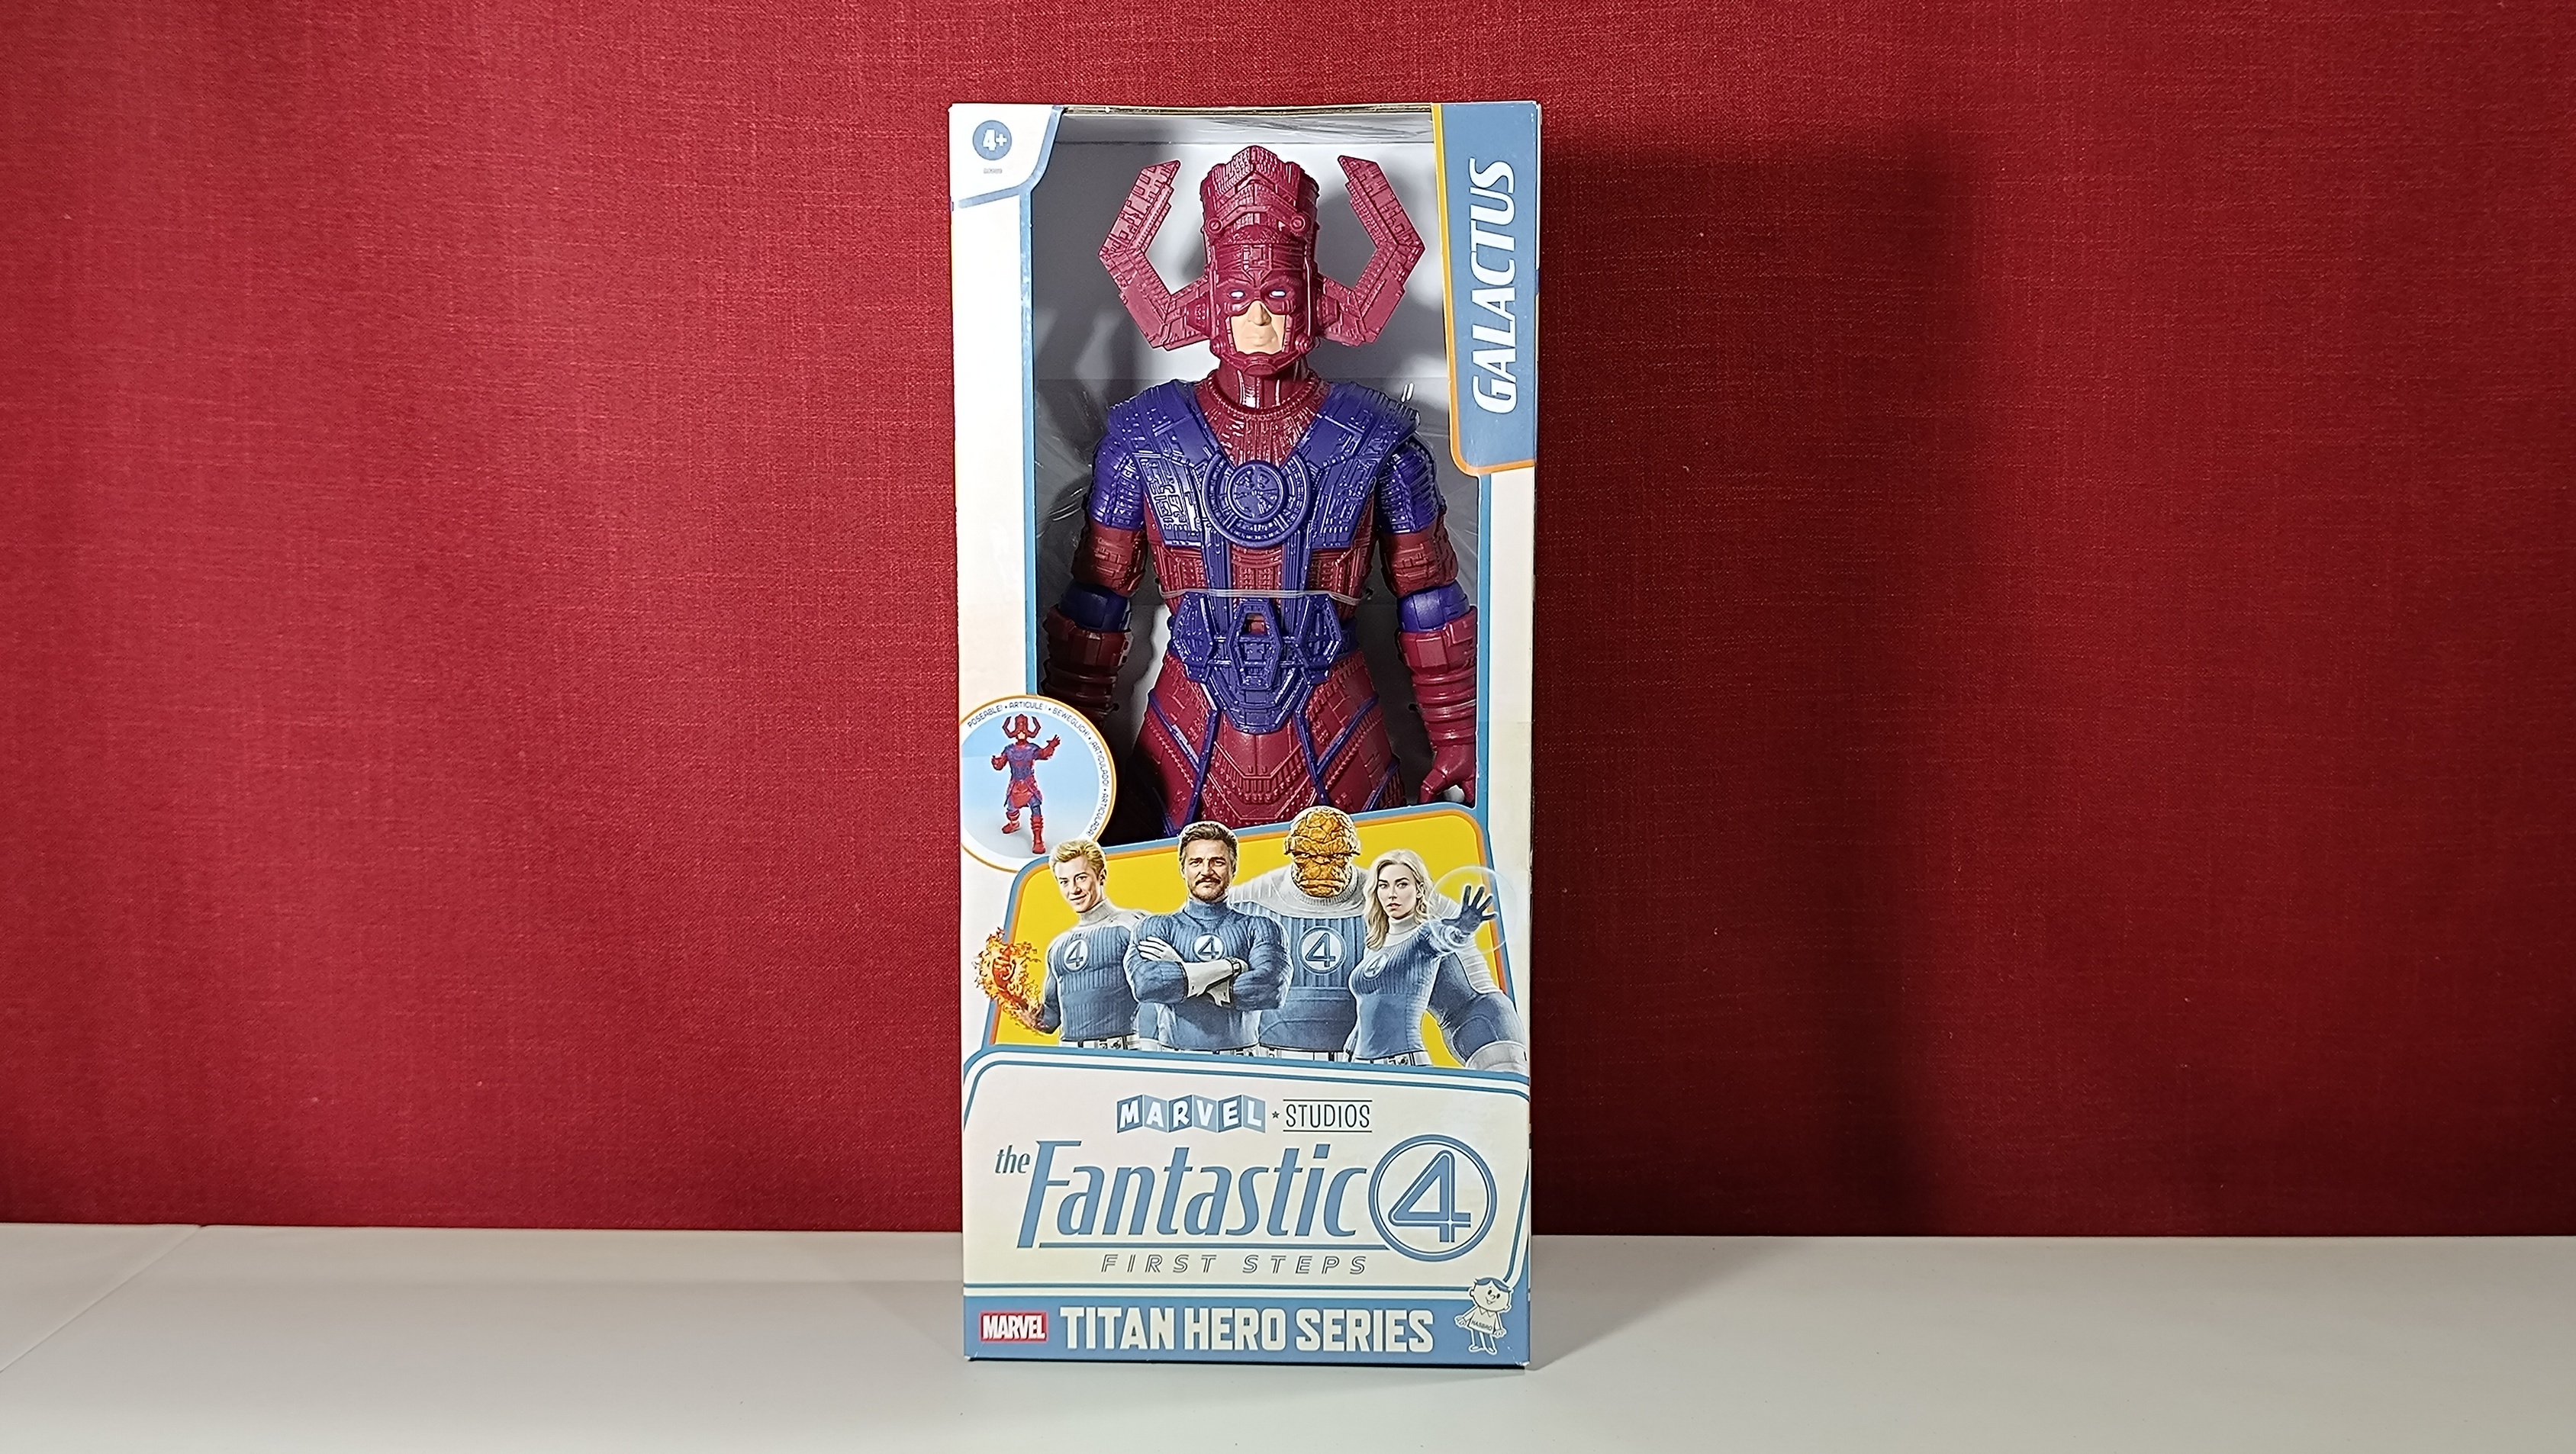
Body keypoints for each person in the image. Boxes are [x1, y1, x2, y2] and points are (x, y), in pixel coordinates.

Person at [1042, 146, 1476, 832]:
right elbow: (1097, 601)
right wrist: (1066, 738)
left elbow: (1430, 599)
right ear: (1208, 306)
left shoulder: (1377, 439)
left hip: (1335, 725)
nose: (1258, 320)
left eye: (1277, 297)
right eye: (1238, 299)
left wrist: (1457, 735)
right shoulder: (1144, 438)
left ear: (1312, 301)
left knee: (1357, 883)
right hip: (1188, 731)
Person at [1348, 849, 1528, 1073]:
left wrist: (1463, 928)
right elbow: (1369, 1006)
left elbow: (1445, 937)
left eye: (1401, 885)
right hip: (1451, 1031)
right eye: (1383, 886)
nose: (1392, 894)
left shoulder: (1431, 925)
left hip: (1487, 1020)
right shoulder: (1376, 941)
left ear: (1419, 889)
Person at [1125, 822, 1285, 1054]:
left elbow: (1270, 990)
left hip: (1242, 1062)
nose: (1206, 871)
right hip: (1176, 1063)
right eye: (1196, 862)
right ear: (1183, 869)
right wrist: (1229, 967)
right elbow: (1147, 986)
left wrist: (1179, 966)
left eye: (1217, 862)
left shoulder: (1260, 927)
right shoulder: (1155, 928)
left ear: (1233, 868)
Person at [1228, 806, 1368, 1060]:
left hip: (1364, 1065)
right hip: (1271, 1062)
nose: (1322, 866)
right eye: (1308, 855)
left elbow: (1453, 1004)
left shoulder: (1390, 900)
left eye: (1336, 855)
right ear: (1293, 851)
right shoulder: (1247, 901)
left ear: (1351, 853)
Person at [1032, 839, 1155, 1049]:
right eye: (1064, 882)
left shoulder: (1133, 925)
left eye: (1081, 878)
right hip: (1070, 1059)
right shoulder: (1057, 947)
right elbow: (1050, 1020)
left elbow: (1164, 993)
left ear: (1101, 876)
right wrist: (1016, 1002)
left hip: (1124, 1054)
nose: (1073, 889)